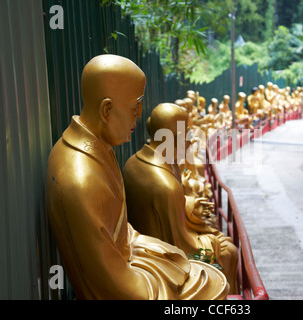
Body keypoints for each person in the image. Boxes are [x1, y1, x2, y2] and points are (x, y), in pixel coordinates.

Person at [46, 54, 229, 300]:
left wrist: (162, 253)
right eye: (135, 108)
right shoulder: (81, 178)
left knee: (191, 265)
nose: (140, 116)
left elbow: (122, 233)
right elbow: (112, 283)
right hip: (126, 288)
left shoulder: (98, 149)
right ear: (106, 109)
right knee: (215, 280)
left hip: (131, 261)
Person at [123, 103, 239, 294]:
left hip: (144, 247)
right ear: (172, 138)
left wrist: (189, 204)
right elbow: (182, 248)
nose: (191, 142)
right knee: (228, 251)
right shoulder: (166, 186)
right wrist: (214, 244)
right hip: (164, 262)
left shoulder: (134, 162)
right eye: (187, 135)